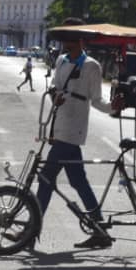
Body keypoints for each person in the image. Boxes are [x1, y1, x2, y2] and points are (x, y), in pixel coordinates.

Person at [37, 18, 118, 249]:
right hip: (59, 126)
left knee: (46, 178)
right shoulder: (61, 61)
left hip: (74, 129)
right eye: (65, 39)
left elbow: (97, 100)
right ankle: (99, 229)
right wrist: (55, 96)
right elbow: (54, 86)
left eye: (71, 39)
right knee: (78, 182)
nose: (67, 44)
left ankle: (31, 229)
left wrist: (113, 108)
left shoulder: (91, 66)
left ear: (81, 40)